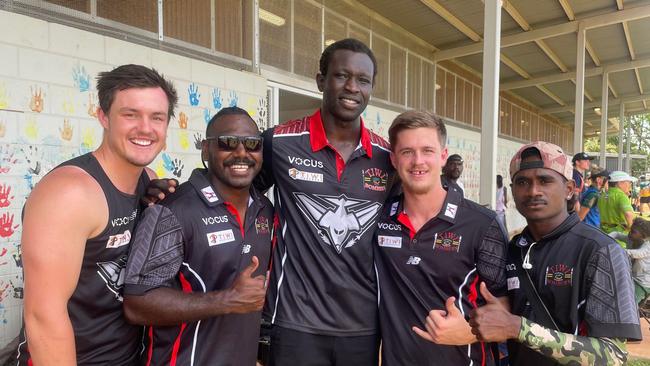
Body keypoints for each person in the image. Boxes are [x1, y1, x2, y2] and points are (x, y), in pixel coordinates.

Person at [17, 64, 178, 365]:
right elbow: (43, 318)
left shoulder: (149, 180)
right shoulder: (70, 193)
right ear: (103, 117)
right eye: (130, 114)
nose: (145, 128)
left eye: (156, 117)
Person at [255, 38, 393, 365]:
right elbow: (235, 193)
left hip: (361, 327)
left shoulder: (388, 158)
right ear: (321, 80)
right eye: (341, 75)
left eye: (363, 80)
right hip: (293, 323)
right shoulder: (280, 142)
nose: (352, 87)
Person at [468, 141, 642, 366]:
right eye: (522, 182)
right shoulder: (512, 249)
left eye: (544, 180)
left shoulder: (600, 250)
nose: (533, 191)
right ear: (512, 191)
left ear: (569, 189)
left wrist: (519, 328)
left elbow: (613, 355)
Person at [122, 107, 273, 365]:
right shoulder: (172, 210)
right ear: (206, 149)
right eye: (227, 143)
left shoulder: (265, 210)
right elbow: (137, 303)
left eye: (252, 144)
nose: (241, 152)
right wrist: (228, 299)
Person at [374, 110, 508, 365]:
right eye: (407, 152)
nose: (418, 161)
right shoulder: (379, 220)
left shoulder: (482, 224)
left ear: (443, 157)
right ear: (393, 159)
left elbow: (505, 304)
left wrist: (469, 333)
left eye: (427, 151)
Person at [609, 218, 650, 305]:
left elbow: (638, 254)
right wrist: (607, 237)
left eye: (633, 232)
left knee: (628, 304)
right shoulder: (631, 238)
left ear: (643, 236)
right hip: (630, 275)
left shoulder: (647, 246)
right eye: (630, 230)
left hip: (641, 283)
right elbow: (617, 234)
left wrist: (620, 250)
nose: (629, 233)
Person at [599, 170, 636, 235]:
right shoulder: (621, 196)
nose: (630, 185)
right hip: (619, 235)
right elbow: (628, 214)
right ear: (619, 183)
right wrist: (633, 232)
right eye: (629, 182)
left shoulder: (602, 195)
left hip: (603, 233)